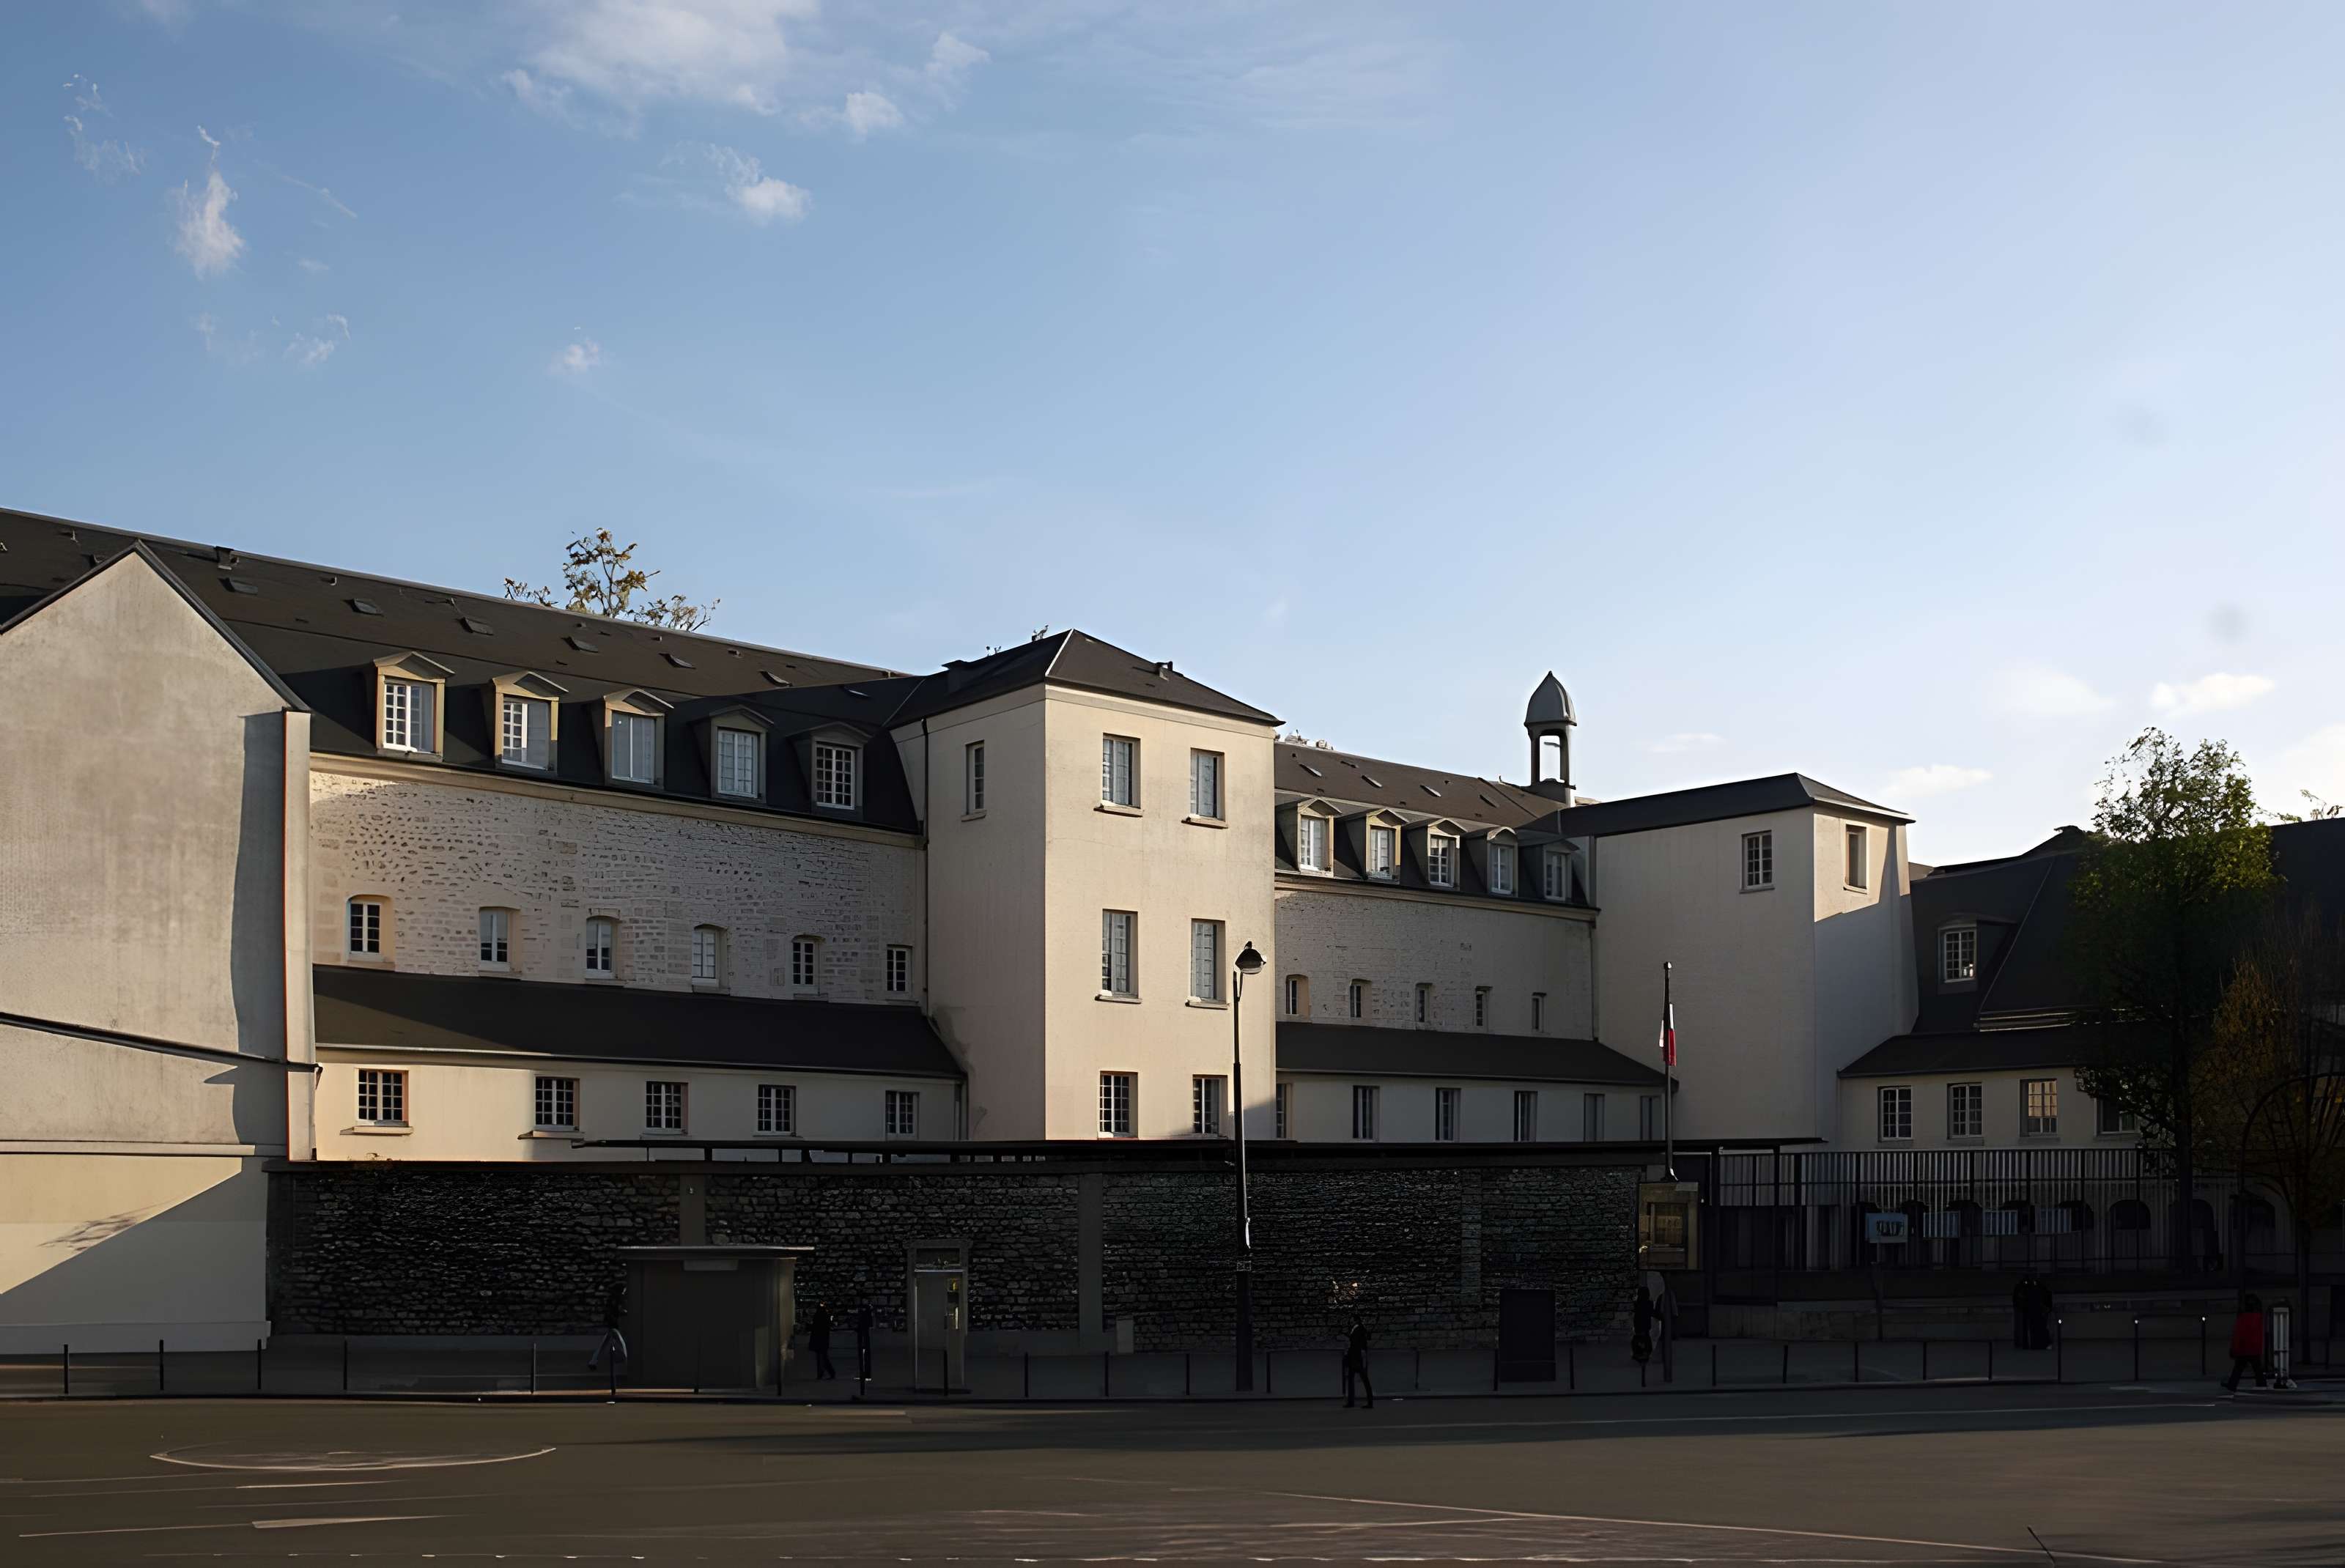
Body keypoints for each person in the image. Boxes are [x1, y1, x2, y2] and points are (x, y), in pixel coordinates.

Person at [2223, 1295, 2267, 1391]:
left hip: (2243, 1348)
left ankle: (2232, 1385)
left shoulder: (2242, 1318)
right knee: (2258, 1369)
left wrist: (2234, 1349)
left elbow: (2238, 1335)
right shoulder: (2258, 1318)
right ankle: (2262, 1385)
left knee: (2238, 1369)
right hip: (2254, 1348)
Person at [1342, 1317, 1374, 1408]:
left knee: (1363, 1380)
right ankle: (1352, 1402)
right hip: (1355, 1357)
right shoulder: (1358, 1328)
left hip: (1356, 1358)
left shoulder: (1359, 1329)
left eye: (1352, 1320)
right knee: (1354, 1380)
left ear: (1356, 1320)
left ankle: (1369, 1402)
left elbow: (1358, 1343)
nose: (1350, 1321)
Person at [808, 1301, 837, 1380]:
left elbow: (814, 1328)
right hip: (823, 1340)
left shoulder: (817, 1316)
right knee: (824, 1358)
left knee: (821, 1358)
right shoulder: (825, 1316)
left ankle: (822, 1374)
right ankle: (827, 1373)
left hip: (818, 1340)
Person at [1631, 1285, 1654, 1366]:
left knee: (1640, 1339)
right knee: (1645, 1340)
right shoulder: (1648, 1304)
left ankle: (1639, 1353)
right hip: (1644, 1325)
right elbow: (1651, 1312)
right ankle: (1642, 1353)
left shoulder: (1638, 1304)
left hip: (1639, 1325)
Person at [854, 1299, 875, 1384]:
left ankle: (866, 1375)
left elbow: (864, 1323)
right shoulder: (868, 1310)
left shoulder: (865, 1311)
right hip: (865, 1335)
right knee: (865, 1356)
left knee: (864, 1356)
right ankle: (866, 1375)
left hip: (864, 1336)